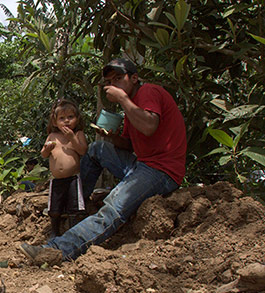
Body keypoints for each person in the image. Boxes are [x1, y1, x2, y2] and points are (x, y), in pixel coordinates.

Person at [20, 58, 187, 263]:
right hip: (141, 163)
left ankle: (58, 250)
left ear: (134, 78)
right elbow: (129, 145)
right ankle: (77, 206)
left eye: (118, 78)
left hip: (161, 171)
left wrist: (123, 99)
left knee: (114, 206)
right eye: (110, 81)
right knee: (96, 149)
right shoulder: (132, 106)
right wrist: (111, 136)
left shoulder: (147, 92)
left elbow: (150, 126)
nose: (113, 84)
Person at [40, 99, 88, 237]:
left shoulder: (78, 134)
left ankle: (73, 232)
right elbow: (43, 155)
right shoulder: (52, 136)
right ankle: (54, 232)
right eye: (62, 118)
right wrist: (47, 148)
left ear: (77, 119)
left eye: (70, 117)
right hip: (56, 180)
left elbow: (82, 151)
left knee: (74, 208)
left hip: (73, 179)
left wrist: (72, 138)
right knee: (54, 209)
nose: (66, 121)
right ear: (55, 122)